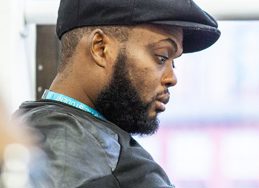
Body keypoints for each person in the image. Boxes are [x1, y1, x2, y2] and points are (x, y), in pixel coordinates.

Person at [14, 0, 220, 187]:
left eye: (173, 62)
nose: (172, 78)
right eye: (161, 57)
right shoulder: (122, 173)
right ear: (101, 48)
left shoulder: (16, 134)